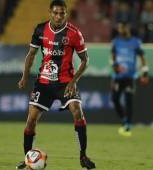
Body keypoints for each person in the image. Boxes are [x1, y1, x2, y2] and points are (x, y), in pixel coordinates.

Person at [16, 0, 96, 169]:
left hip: (65, 82)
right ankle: (27, 159)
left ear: (66, 13)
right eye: (56, 13)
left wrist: (74, 82)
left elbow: (85, 61)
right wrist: (24, 77)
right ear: (50, 13)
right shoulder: (40, 29)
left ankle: (83, 156)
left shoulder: (74, 33)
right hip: (43, 82)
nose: (59, 16)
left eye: (62, 13)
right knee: (31, 120)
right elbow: (31, 55)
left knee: (77, 112)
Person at [111, 22, 149, 137]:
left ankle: (127, 125)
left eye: (121, 27)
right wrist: (115, 66)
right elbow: (113, 57)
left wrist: (145, 73)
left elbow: (142, 58)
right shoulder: (116, 41)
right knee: (115, 99)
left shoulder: (135, 42)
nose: (119, 30)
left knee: (129, 100)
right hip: (118, 77)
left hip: (130, 76)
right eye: (118, 28)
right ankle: (124, 119)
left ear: (127, 27)